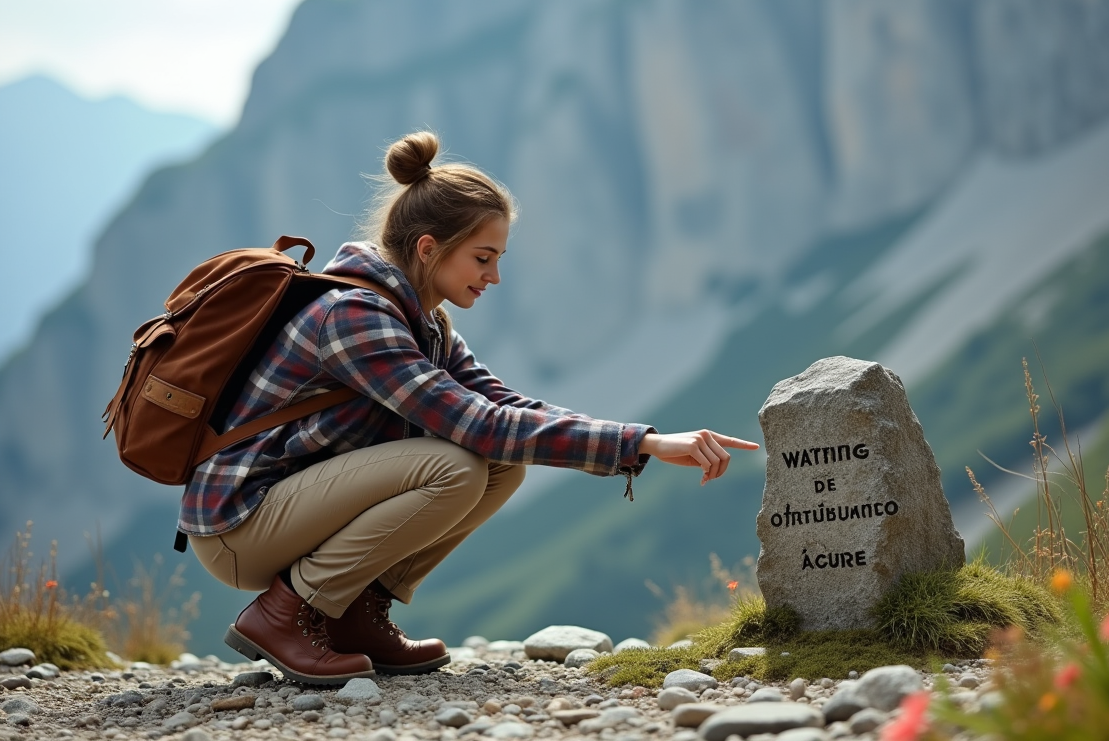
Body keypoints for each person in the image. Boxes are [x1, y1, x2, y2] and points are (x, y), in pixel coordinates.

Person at [182, 130, 759, 685]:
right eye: (484, 258)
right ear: (429, 249)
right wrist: (642, 445)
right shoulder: (354, 317)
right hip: (242, 524)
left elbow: (505, 405)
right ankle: (282, 613)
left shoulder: (425, 320)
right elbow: (478, 425)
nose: (495, 276)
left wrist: (645, 439)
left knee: (503, 463)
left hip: (293, 511)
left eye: (499, 258)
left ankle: (356, 612)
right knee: (455, 466)